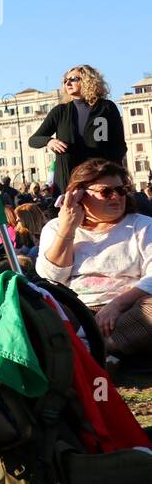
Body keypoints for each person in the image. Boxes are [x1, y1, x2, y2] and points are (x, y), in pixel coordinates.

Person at [36, 160, 152, 361]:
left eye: (121, 190)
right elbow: (51, 277)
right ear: (79, 194)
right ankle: (102, 351)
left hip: (128, 309)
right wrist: (67, 229)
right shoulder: (55, 228)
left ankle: (89, 351)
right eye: (106, 192)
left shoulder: (143, 225)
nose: (116, 196)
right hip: (75, 310)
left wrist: (116, 305)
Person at [29, 65, 127, 196]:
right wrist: (49, 141)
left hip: (100, 178)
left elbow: (119, 145)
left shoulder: (107, 107)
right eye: (65, 80)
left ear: (88, 80)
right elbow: (33, 140)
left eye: (74, 79)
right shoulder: (60, 111)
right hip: (69, 179)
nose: (68, 83)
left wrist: (110, 171)